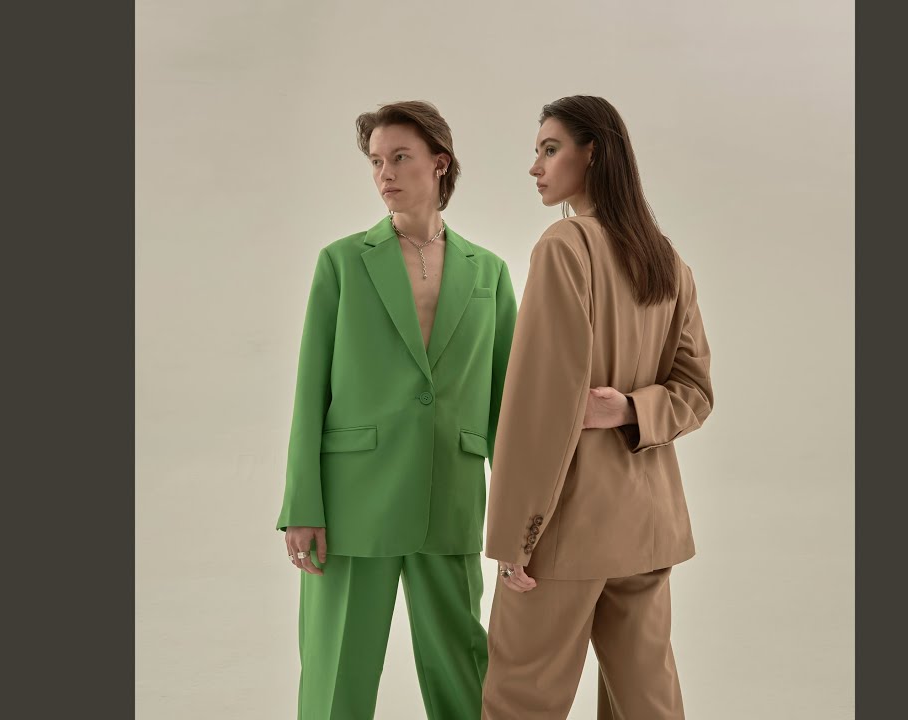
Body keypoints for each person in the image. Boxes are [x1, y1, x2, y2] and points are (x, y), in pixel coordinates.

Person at [276, 100, 517, 719]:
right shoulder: (341, 262)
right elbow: (310, 389)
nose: (384, 172)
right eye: (376, 160)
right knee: (337, 676)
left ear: (440, 163)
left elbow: (507, 406)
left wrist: (521, 519)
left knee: (463, 672)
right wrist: (302, 505)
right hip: (353, 501)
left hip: (451, 495)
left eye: (400, 156)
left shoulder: (488, 272)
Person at [481, 95, 714, 720]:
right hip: (646, 528)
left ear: (593, 153)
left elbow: (540, 405)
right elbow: (696, 392)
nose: (535, 166)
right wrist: (634, 409)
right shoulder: (667, 261)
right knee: (647, 704)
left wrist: (515, 534)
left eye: (550, 149)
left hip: (566, 527)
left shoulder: (564, 245)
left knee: (521, 700)